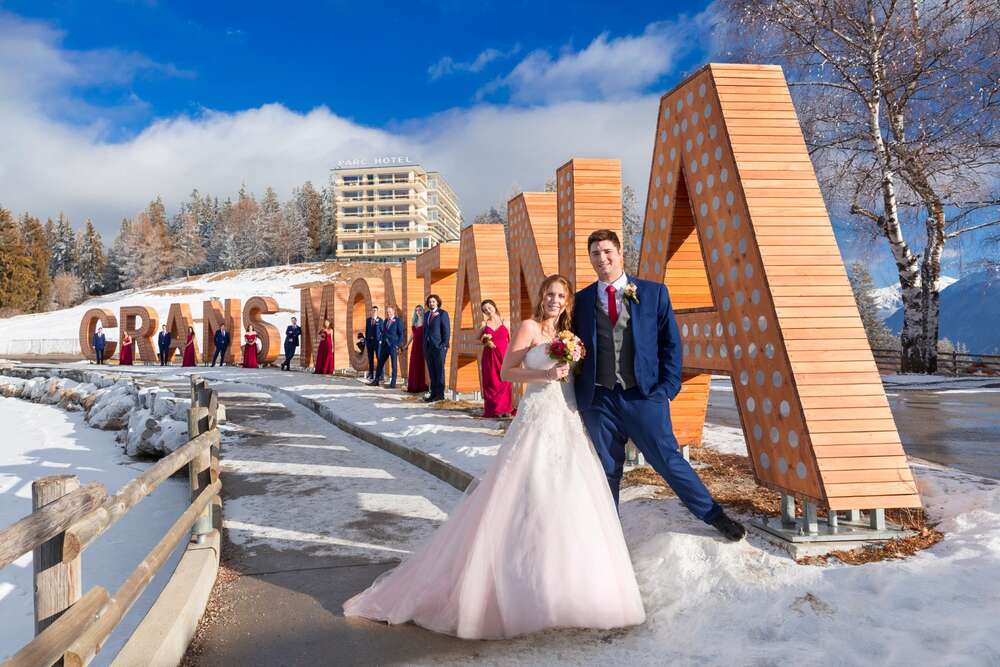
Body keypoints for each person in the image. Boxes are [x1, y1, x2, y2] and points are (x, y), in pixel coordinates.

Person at [343, 274, 644, 639]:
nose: (555, 300)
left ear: (567, 301)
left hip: (566, 418)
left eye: (561, 295)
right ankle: (515, 583)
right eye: (549, 293)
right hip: (536, 417)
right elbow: (507, 371)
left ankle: (568, 589)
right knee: (524, 495)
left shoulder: (568, 336)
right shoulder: (530, 328)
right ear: (541, 296)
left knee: (569, 498)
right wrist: (545, 373)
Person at [573, 229, 745, 542]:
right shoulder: (582, 300)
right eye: (595, 253)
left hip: (643, 396)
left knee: (667, 459)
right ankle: (607, 539)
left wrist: (667, 389)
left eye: (607, 251)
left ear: (620, 252)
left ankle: (714, 515)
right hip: (599, 400)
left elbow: (671, 345)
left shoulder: (653, 293)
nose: (602, 259)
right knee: (606, 469)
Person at [479, 300, 514, 418]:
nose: (488, 311)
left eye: (489, 307)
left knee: (505, 381)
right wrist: (485, 340)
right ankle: (494, 410)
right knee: (491, 382)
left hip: (504, 355)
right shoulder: (484, 324)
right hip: (489, 357)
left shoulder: (506, 322)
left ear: (494, 306)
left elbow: (511, 340)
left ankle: (506, 409)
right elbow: (476, 338)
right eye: (485, 310)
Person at [421, 294, 450, 402]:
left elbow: (446, 331)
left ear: (437, 302)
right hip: (428, 347)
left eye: (433, 301)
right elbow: (425, 331)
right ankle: (433, 393)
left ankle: (440, 395)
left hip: (439, 347)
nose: (431, 303)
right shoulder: (427, 314)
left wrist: (443, 345)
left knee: (439, 370)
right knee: (432, 371)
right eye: (429, 302)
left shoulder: (443, 313)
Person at [370, 306, 403, 388]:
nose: (389, 313)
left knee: (394, 365)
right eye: (387, 312)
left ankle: (393, 383)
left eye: (390, 312)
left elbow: (401, 334)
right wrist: (381, 341)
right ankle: (376, 380)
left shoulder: (397, 321)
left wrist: (397, 345)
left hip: (393, 346)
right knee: (380, 363)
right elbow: (383, 332)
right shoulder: (385, 321)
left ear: (393, 312)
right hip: (384, 346)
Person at [404, 305, 427, 393]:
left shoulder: (425, 322)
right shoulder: (415, 322)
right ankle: (413, 386)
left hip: (422, 346)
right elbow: (412, 335)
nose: (418, 312)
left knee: (420, 365)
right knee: (414, 364)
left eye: (420, 310)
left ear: (422, 311)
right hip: (415, 347)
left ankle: (420, 386)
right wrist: (406, 345)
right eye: (416, 310)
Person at [364, 306, 382, 380]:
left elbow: (383, 332)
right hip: (369, 342)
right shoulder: (368, 320)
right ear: (371, 311)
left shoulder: (380, 320)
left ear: (377, 311)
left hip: (377, 342)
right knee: (370, 359)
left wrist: (380, 340)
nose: (374, 311)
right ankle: (371, 374)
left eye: (375, 310)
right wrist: (366, 340)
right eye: (373, 310)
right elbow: (367, 331)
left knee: (379, 358)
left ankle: (380, 375)